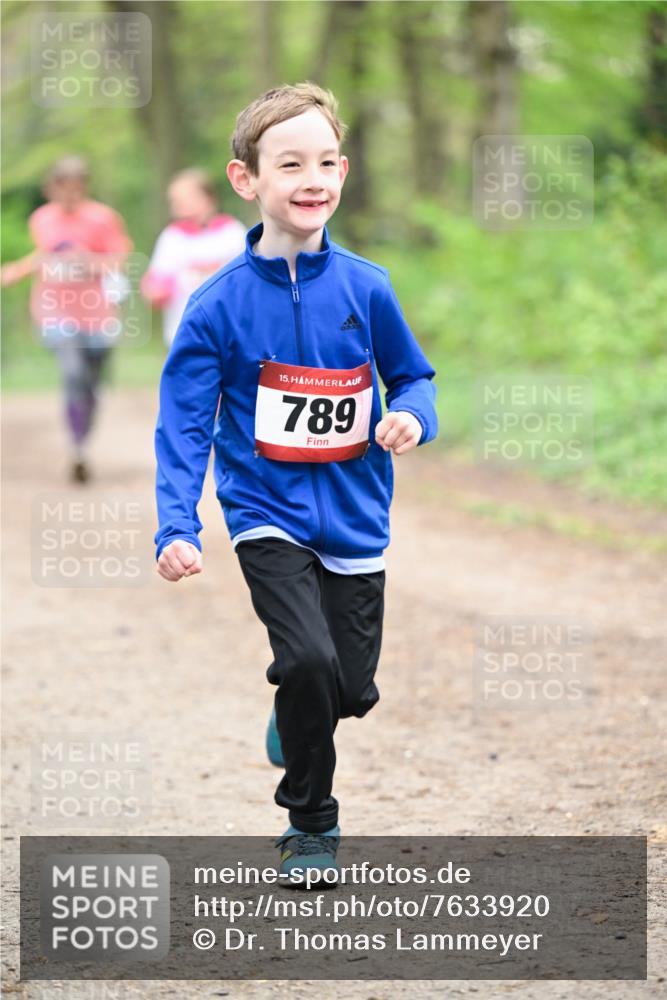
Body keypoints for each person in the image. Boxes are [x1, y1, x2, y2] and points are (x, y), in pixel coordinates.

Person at [153, 83, 438, 884]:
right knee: (306, 661)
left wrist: (413, 419)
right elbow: (180, 426)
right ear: (247, 181)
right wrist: (176, 525)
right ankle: (310, 825)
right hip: (264, 513)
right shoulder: (215, 306)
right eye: (289, 164)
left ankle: (299, 714)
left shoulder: (367, 286)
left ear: (342, 171)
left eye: (323, 162)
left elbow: (414, 378)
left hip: (356, 517)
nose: (310, 178)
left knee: (349, 687)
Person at [0, 156, 132, 482]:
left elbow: (118, 261)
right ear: (50, 189)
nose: (68, 197)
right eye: (62, 190)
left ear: (84, 188)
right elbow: (45, 256)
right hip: (54, 311)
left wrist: (86, 261)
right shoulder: (41, 219)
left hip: (97, 315)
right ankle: (77, 448)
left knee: (89, 383)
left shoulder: (103, 218)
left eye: (75, 190)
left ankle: (82, 436)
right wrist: (17, 270)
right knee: (72, 373)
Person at [141, 168, 246, 347]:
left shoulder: (233, 232)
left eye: (182, 197)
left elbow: (248, 281)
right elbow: (155, 282)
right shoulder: (172, 237)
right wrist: (156, 290)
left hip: (229, 332)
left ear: (208, 198)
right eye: (173, 199)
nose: (175, 204)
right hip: (183, 333)